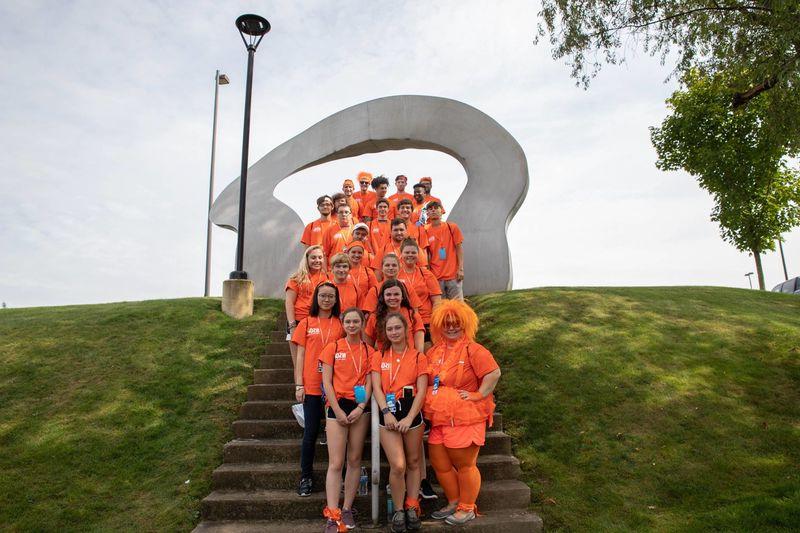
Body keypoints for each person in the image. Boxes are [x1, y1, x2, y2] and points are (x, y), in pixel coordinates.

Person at [423, 300, 501, 525]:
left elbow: (493, 373)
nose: (451, 327)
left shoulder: (473, 349)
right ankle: (454, 501)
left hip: (466, 417)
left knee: (465, 463)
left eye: (456, 323)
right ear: (439, 325)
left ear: (464, 323)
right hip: (439, 417)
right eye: (446, 323)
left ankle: (467, 507)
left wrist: (478, 394)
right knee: (440, 463)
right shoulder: (435, 351)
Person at [371, 313, 429, 532]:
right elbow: (376, 387)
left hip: (411, 413)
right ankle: (398, 509)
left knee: (414, 462)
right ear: (385, 333)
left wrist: (409, 417)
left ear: (406, 330)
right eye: (390, 329)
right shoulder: (379, 356)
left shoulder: (417, 357)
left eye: (397, 328)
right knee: (398, 465)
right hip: (389, 414)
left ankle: (412, 505)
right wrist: (386, 412)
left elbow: (422, 390)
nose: (394, 332)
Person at [320, 307, 374, 532]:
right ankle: (332, 515)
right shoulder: (332, 347)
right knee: (335, 462)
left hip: (359, 407)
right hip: (337, 406)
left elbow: (371, 381)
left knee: (354, 459)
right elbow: (327, 382)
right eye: (348, 322)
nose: (352, 325)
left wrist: (362, 406)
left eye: (356, 322)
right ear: (343, 324)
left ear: (362, 324)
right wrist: (337, 410)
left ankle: (347, 509)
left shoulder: (370, 351)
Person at [291, 282, 344, 497]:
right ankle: (306, 476)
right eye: (323, 296)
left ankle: (340, 477)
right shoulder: (306, 322)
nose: (327, 299)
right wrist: (298, 384)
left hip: (335, 386)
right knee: (310, 433)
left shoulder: (340, 324)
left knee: (339, 436)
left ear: (336, 299)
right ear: (316, 298)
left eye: (331, 296)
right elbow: (301, 356)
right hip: (312, 385)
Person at [286, 245, 329, 359]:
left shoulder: (327, 278)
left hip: (317, 321)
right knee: (298, 363)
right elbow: (289, 302)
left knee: (313, 361)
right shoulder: (296, 278)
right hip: (298, 321)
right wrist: (292, 325)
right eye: (313, 258)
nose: (317, 261)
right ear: (307, 259)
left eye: (320, 258)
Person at [397, 238, 442, 341]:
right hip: (403, 321)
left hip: (425, 320)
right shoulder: (396, 274)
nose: (410, 255)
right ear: (401, 254)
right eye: (407, 252)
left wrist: (434, 322)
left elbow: (437, 301)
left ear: (418, 254)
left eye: (413, 252)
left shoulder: (426, 274)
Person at [364, 279, 424, 353]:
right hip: (384, 361)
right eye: (388, 295)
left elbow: (420, 349)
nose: (392, 298)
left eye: (396, 294)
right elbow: (368, 348)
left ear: (402, 296)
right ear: (383, 297)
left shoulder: (413, 315)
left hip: (408, 360)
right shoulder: (374, 317)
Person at [424, 201, 464, 300]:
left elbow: (459, 249)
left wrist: (461, 269)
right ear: (427, 213)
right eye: (430, 209)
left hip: (453, 276)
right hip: (436, 277)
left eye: (436, 208)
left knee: (458, 308)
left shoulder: (452, 227)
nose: (433, 210)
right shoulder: (425, 230)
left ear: (441, 211)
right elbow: (427, 254)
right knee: (441, 309)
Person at [345, 242, 377, 311]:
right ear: (348, 253)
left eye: (359, 253)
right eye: (353, 252)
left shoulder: (368, 272)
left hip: (363, 309)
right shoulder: (342, 271)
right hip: (346, 308)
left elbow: (374, 292)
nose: (356, 255)